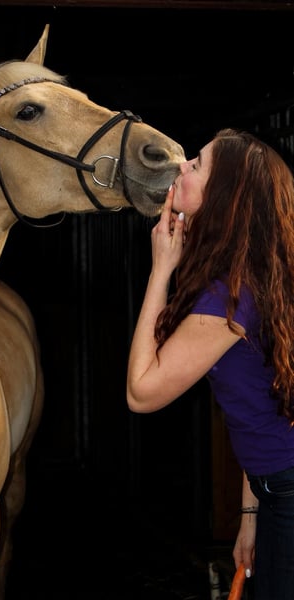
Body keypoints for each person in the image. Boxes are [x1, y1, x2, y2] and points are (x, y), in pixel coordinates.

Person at [126, 128, 294, 600]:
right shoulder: (254, 277)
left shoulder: (229, 301)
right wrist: (250, 514)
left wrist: (160, 269)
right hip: (274, 490)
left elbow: (141, 392)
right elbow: (267, 408)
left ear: (223, 197)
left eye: (196, 165)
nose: (182, 166)